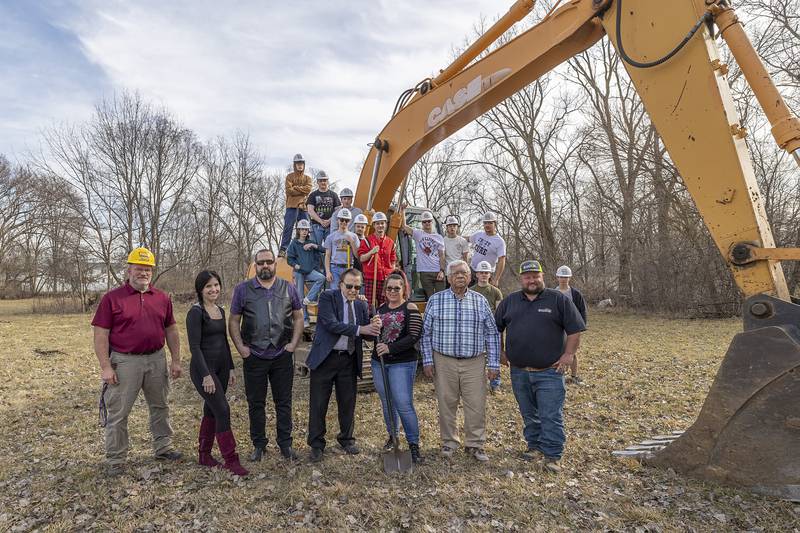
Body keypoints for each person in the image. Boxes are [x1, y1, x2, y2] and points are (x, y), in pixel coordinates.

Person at [92, 246, 182, 477]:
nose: (143, 273)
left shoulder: (162, 298)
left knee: (160, 405)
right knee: (119, 412)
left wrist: (175, 360)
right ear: (129, 269)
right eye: (139, 269)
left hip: (156, 359)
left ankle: (163, 447)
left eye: (148, 270)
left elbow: (171, 329)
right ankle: (116, 459)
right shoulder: (112, 299)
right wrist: (105, 366)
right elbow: (101, 333)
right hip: (125, 361)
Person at [495, 260, 586, 473]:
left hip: (550, 371)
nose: (532, 280)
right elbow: (496, 328)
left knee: (550, 414)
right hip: (519, 371)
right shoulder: (510, 301)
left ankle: (553, 454)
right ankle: (534, 446)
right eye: (527, 276)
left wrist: (569, 355)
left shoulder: (558, 300)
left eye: (535, 276)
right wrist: (499, 351)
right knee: (528, 413)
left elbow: (575, 330)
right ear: (521, 279)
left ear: (543, 277)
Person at [228, 249, 304, 462]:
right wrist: (241, 348)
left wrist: (293, 344)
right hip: (255, 355)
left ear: (275, 264)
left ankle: (285, 444)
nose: (265, 266)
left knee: (284, 402)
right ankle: (259, 445)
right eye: (260, 263)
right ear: (255, 265)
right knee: (256, 402)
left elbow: (298, 318)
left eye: (269, 262)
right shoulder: (243, 289)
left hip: (282, 354)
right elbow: (233, 320)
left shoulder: (288, 287)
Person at [421, 259, 500, 463]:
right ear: (448, 278)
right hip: (443, 360)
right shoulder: (436, 300)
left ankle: (475, 444)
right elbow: (426, 334)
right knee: (447, 402)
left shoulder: (480, 301)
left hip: (474, 361)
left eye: (464, 273)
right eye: (455, 273)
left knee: (476, 404)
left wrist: (493, 363)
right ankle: (449, 442)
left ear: (470, 276)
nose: (460, 276)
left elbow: (492, 333)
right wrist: (427, 361)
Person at [305, 269, 380, 462]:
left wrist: (374, 325)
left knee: (347, 402)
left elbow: (366, 335)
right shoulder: (327, 297)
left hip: (348, 359)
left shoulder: (362, 305)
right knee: (319, 403)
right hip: (325, 358)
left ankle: (346, 439)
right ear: (340, 284)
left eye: (357, 286)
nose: (353, 290)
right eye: (349, 286)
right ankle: (316, 444)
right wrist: (361, 328)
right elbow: (331, 324)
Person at [186, 270, 247, 476]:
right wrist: (206, 375)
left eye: (216, 285)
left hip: (221, 367)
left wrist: (230, 367)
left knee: (212, 409)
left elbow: (224, 341)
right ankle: (231, 459)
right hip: (204, 368)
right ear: (200, 290)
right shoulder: (196, 312)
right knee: (222, 409)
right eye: (208, 286)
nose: (213, 289)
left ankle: (204, 455)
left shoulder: (220, 310)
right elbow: (194, 347)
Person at [373, 273, 424, 463]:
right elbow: (374, 338)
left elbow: (414, 336)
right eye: (389, 288)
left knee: (403, 402)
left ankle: (413, 444)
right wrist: (373, 328)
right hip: (379, 363)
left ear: (404, 290)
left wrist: (390, 348)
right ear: (385, 290)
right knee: (387, 401)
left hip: (402, 362)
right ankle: (393, 436)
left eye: (397, 288)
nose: (393, 291)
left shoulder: (410, 307)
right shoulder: (379, 309)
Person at [472, 260, 505, 393]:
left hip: (492, 327)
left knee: (494, 355)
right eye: (481, 272)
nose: (484, 275)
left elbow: (499, 312)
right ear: (477, 274)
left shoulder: (496, 292)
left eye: (486, 272)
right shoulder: (471, 290)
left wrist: (499, 329)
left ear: (490, 274)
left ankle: (495, 383)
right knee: (478, 356)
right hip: (476, 328)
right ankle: (477, 383)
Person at [287, 219, 326, 327]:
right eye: (302, 229)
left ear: (308, 231)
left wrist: (314, 246)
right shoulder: (294, 244)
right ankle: (305, 320)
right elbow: (289, 259)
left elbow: (324, 250)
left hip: (309, 271)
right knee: (299, 296)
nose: (304, 231)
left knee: (321, 278)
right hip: (299, 272)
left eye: (306, 229)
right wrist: (296, 265)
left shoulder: (310, 242)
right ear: (298, 230)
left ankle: (309, 298)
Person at [401, 208, 446, 298]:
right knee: (430, 298)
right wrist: (403, 211)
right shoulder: (418, 234)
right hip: (425, 273)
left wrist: (442, 271)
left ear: (432, 222)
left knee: (441, 297)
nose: (427, 223)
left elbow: (442, 256)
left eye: (428, 221)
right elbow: (404, 227)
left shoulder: (439, 237)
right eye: (424, 222)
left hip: (437, 271)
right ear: (422, 223)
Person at [554, 265, 588, 385]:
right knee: (556, 351)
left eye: (566, 277)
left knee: (572, 352)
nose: (563, 279)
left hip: (572, 328)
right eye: (561, 277)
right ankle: (557, 375)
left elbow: (582, 310)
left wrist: (580, 326)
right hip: (556, 327)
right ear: (557, 277)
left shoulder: (576, 294)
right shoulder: (552, 293)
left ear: (570, 278)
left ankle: (574, 376)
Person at [359, 211, 397, 308]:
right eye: (377, 223)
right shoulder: (367, 241)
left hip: (386, 279)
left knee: (385, 305)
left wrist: (391, 274)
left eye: (382, 223)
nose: (380, 226)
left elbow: (393, 260)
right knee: (368, 305)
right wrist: (371, 252)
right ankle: (369, 322)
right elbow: (361, 258)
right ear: (374, 225)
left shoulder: (390, 242)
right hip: (371, 278)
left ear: (386, 224)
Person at [279, 153, 313, 256]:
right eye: (298, 163)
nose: (300, 165)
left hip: (303, 207)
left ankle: (305, 248)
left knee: (306, 228)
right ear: (294, 165)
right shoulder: (289, 177)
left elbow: (308, 190)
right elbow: (289, 191)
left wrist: (296, 188)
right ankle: (283, 249)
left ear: (304, 164)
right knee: (288, 227)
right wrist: (301, 190)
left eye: (301, 163)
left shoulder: (308, 178)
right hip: (291, 206)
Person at [468, 212, 506, 287]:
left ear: (495, 224)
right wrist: (455, 237)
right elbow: (467, 239)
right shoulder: (478, 234)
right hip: (472, 271)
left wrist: (496, 279)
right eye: (485, 223)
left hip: (486, 274)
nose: (487, 225)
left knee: (485, 296)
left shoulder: (499, 241)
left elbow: (502, 260)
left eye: (490, 223)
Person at [324, 208, 359, 288]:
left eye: (346, 220)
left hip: (348, 267)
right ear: (338, 220)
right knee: (335, 292)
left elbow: (357, 256)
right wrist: (328, 272)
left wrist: (352, 242)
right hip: (335, 268)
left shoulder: (354, 237)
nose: (344, 222)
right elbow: (327, 255)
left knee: (347, 292)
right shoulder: (331, 237)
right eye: (342, 220)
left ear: (350, 222)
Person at [307, 170, 341, 246]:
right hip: (316, 226)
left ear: (327, 181)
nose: (323, 182)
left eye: (325, 180)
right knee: (314, 247)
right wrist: (321, 221)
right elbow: (310, 210)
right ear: (317, 182)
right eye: (321, 180)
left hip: (331, 226)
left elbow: (338, 210)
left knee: (330, 248)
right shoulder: (313, 195)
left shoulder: (333, 195)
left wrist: (329, 221)